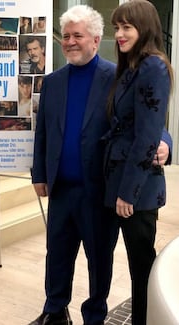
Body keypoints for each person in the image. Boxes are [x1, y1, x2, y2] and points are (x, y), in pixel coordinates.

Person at [30, 5, 172, 325]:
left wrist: (166, 144)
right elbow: (43, 133)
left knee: (98, 259)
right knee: (57, 255)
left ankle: (94, 316)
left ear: (95, 39)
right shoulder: (52, 82)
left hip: (98, 189)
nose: (70, 42)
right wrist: (39, 173)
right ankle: (54, 311)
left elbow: (145, 120)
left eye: (77, 35)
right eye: (65, 36)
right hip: (61, 188)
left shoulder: (117, 75)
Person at [103, 1, 174, 324]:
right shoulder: (131, 67)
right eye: (117, 27)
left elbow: (147, 137)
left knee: (142, 267)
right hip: (119, 180)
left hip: (137, 191)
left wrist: (128, 193)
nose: (119, 34)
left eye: (126, 27)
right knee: (136, 266)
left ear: (144, 28)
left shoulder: (152, 67)